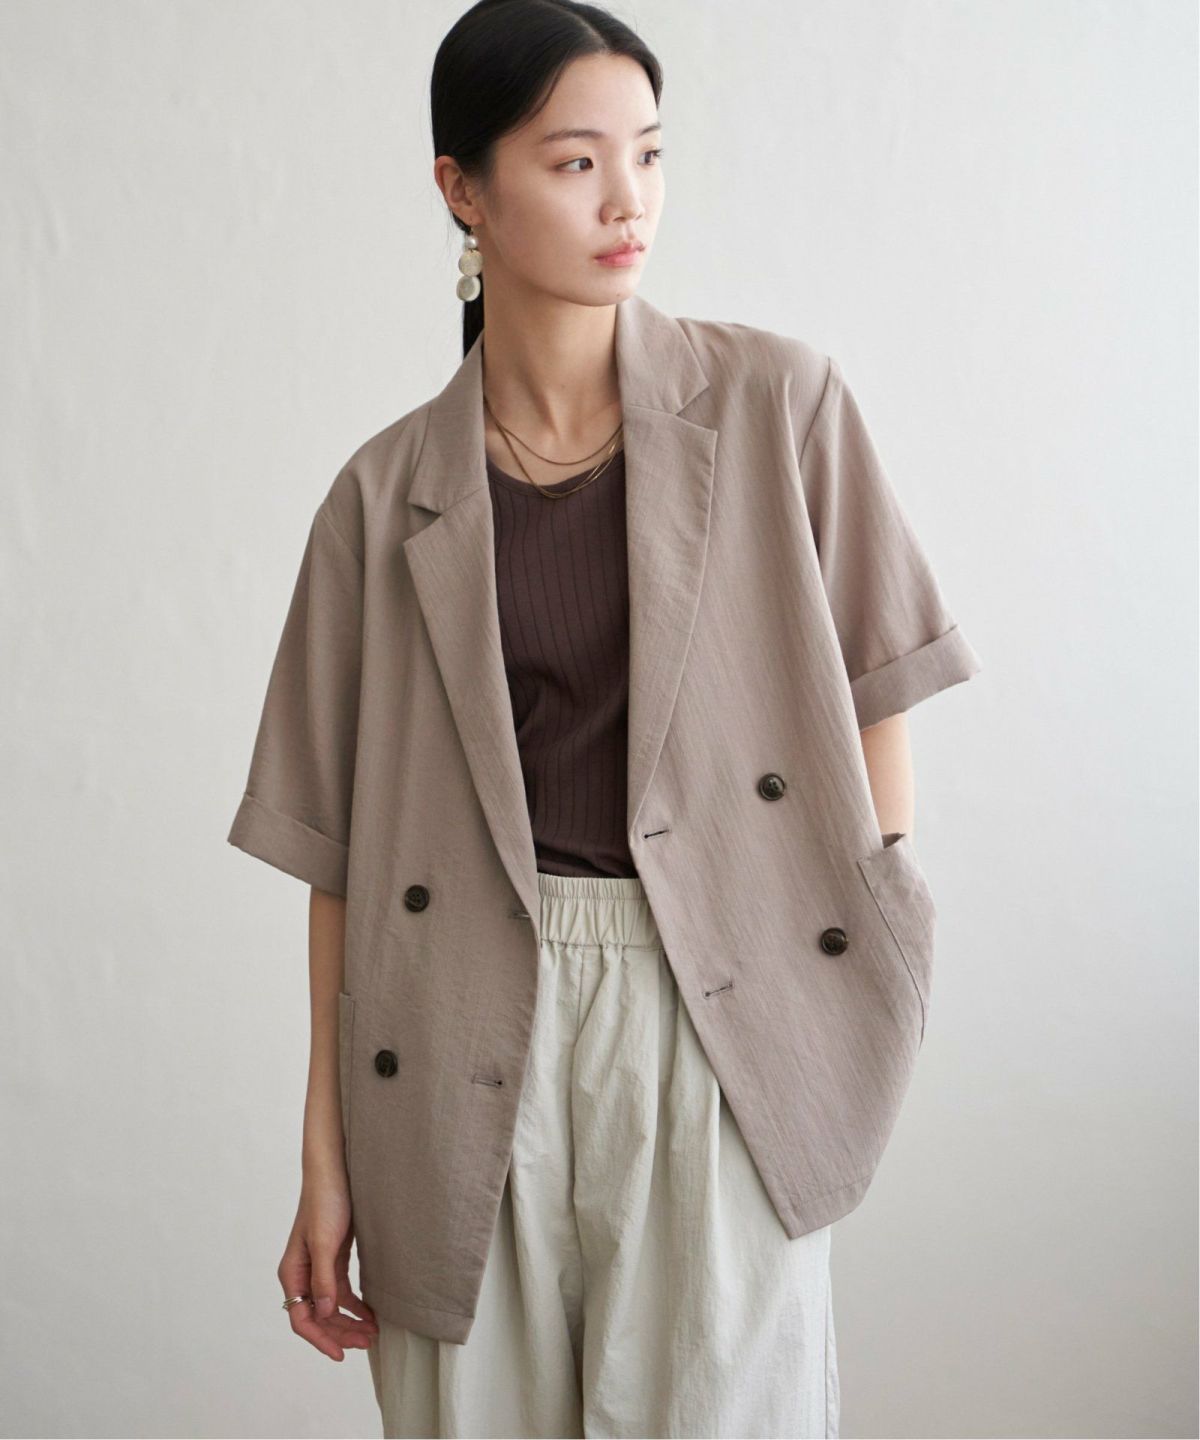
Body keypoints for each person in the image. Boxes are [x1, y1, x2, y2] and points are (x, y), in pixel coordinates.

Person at [228, 2, 983, 1435]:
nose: (628, 199)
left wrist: (876, 916)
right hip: (458, 1013)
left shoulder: (777, 404)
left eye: (648, 152)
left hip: (720, 994)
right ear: (462, 189)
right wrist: (324, 1157)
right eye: (576, 162)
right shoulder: (383, 499)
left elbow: (878, 691)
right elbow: (343, 866)